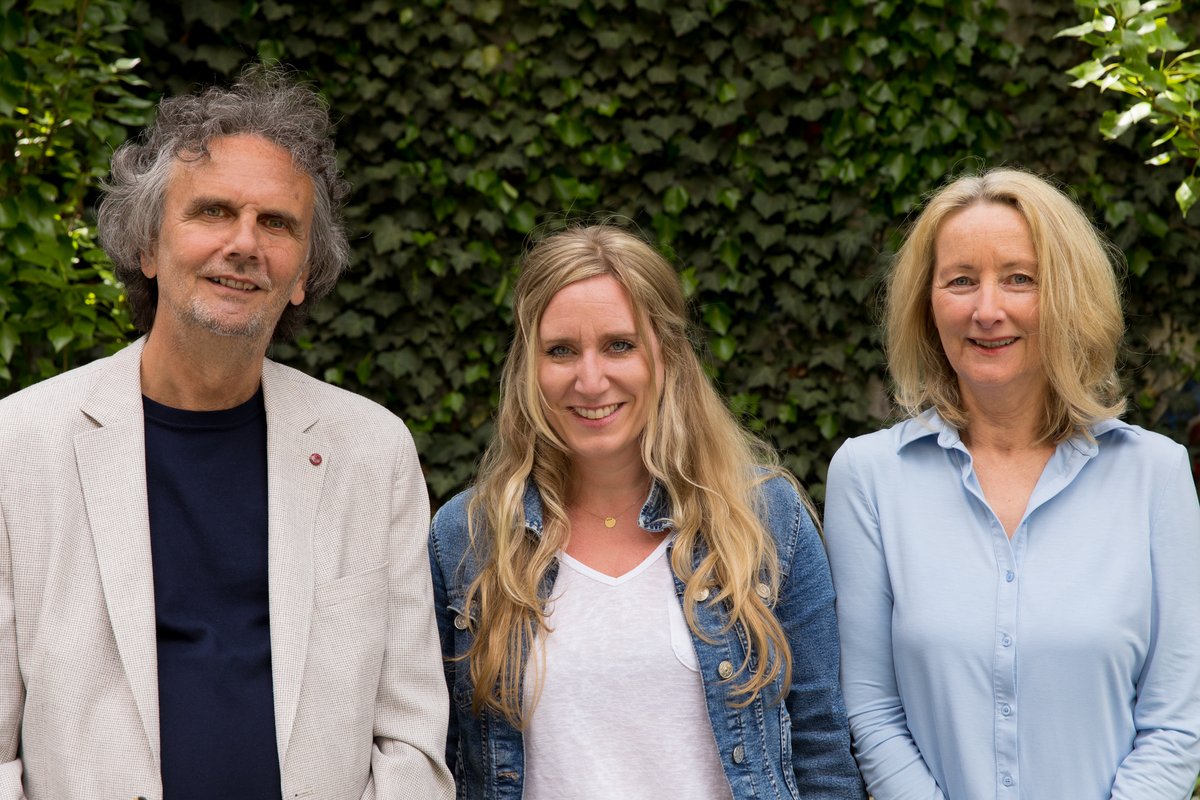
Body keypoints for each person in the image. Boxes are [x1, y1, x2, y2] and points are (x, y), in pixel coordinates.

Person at [0, 64, 454, 799]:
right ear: (148, 247)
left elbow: (410, 738)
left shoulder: (373, 451)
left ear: (303, 273)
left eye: (277, 223)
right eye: (212, 211)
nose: (245, 243)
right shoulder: (19, 445)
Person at [429, 224, 865, 799]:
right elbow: (439, 759)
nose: (590, 380)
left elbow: (822, 750)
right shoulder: (467, 537)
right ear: (529, 366)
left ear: (667, 355)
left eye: (619, 345)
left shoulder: (764, 519)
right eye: (560, 350)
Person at [823, 168, 1200, 799]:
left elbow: (1176, 721)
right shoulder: (868, 477)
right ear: (927, 304)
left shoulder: (1155, 475)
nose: (987, 310)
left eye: (1020, 278)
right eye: (960, 281)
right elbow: (871, 711)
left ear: (1068, 296)